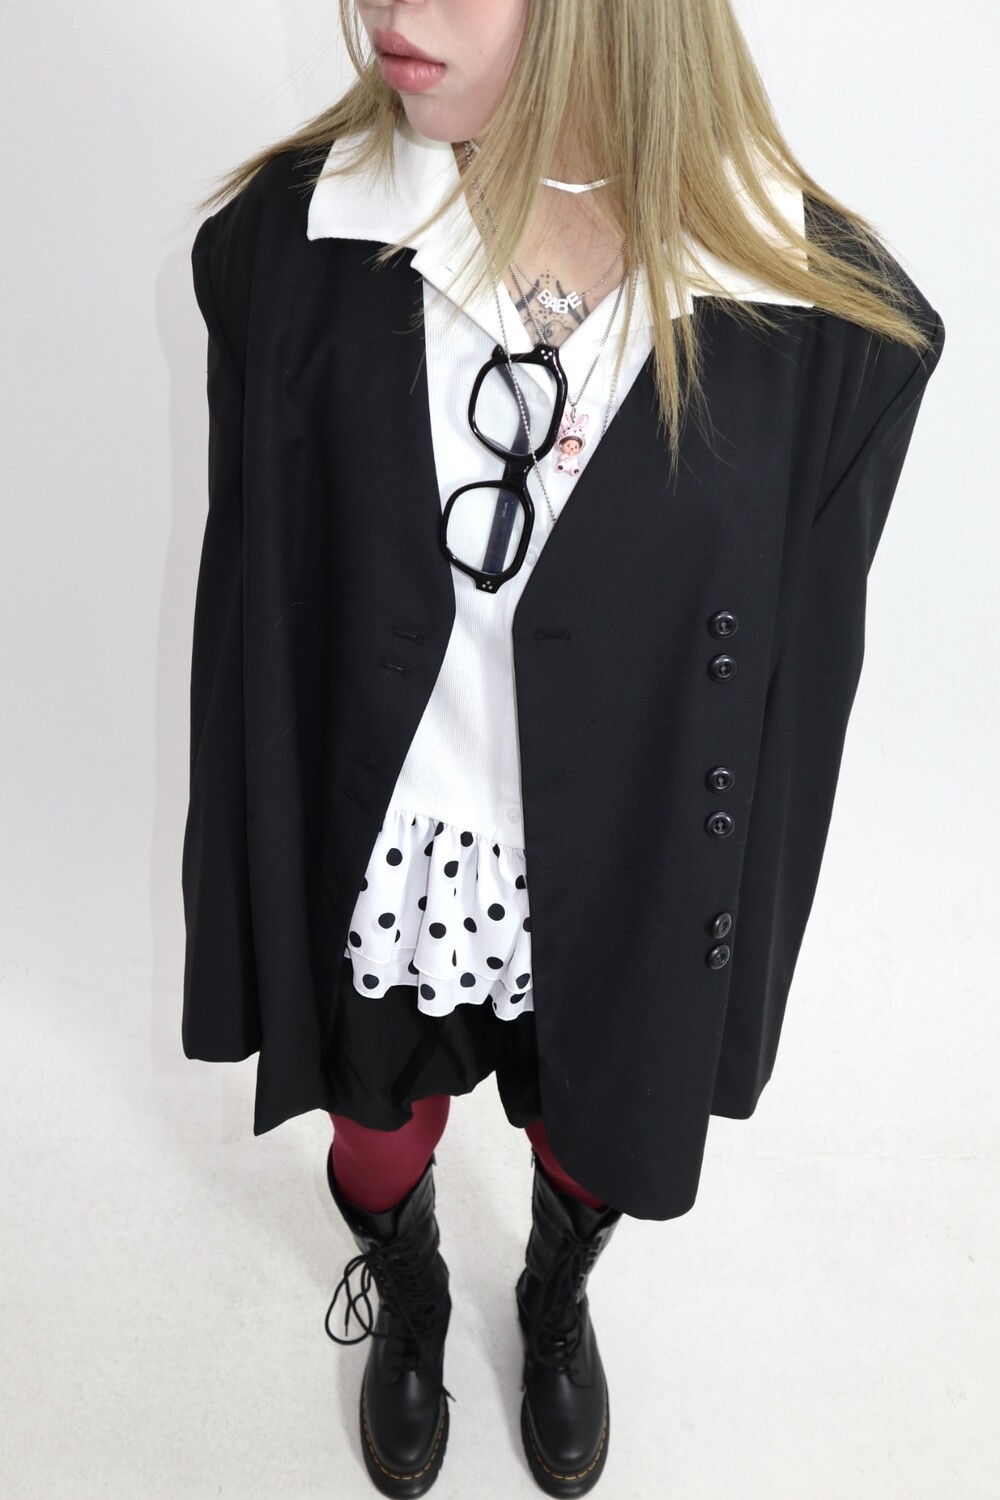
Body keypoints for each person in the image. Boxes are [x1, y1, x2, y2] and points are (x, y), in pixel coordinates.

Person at [181, 1, 946, 1495]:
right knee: (375, 1117)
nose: (391, 10)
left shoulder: (825, 330)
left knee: (596, 1130)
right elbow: (254, 621)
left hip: (627, 854)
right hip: (387, 839)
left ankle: (553, 1292)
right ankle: (410, 1287)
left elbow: (793, 709)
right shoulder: (289, 248)